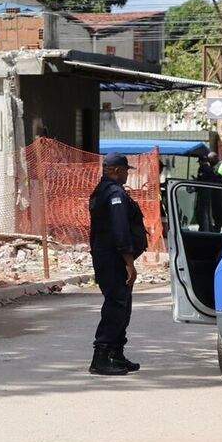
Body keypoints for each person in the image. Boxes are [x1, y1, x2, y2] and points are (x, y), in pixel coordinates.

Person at [88, 152, 147, 376]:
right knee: (115, 306)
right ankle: (101, 357)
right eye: (124, 170)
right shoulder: (114, 194)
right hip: (114, 258)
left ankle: (116, 353)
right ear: (114, 170)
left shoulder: (101, 191)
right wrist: (129, 262)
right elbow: (120, 230)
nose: (126, 174)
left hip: (107, 256)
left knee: (123, 305)